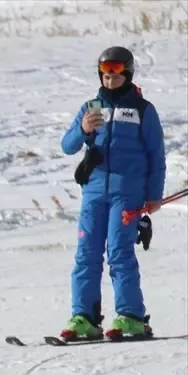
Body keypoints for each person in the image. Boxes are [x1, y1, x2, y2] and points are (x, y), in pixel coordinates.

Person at [60, 46, 165, 341]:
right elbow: (67, 146)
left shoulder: (144, 110)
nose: (110, 78)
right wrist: (82, 129)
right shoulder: (91, 107)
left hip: (127, 192)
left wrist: (153, 195)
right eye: (105, 72)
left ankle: (131, 316)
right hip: (93, 192)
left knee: (119, 253)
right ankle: (85, 318)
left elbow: (156, 155)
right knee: (86, 254)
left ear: (127, 72)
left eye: (117, 71)